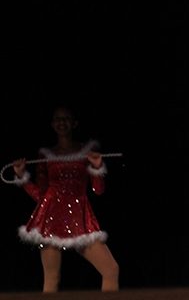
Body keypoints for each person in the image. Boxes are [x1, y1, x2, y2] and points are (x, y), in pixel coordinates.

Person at [10, 105, 120, 292]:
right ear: (53, 124)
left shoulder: (87, 151)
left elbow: (98, 190)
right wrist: (22, 177)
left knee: (111, 270)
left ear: (74, 123)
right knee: (52, 279)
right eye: (58, 119)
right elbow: (40, 195)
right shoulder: (45, 155)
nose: (62, 122)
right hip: (51, 217)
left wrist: (98, 167)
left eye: (66, 118)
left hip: (80, 217)